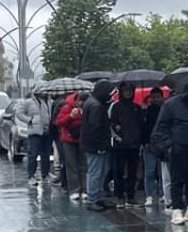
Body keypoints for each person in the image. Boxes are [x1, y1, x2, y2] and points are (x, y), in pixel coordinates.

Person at [151, 79, 188, 225]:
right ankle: (177, 209)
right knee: (177, 179)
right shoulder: (170, 105)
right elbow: (161, 127)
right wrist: (169, 145)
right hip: (179, 148)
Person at [80, 80, 115, 211]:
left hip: (94, 145)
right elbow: (96, 127)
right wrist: (101, 146)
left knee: (100, 171)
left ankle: (97, 197)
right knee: (96, 172)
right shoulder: (96, 106)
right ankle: (93, 199)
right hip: (95, 146)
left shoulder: (93, 103)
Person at [109, 83, 144, 206]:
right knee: (118, 170)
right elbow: (113, 123)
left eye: (130, 90)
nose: (128, 93)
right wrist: (118, 132)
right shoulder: (116, 107)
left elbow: (141, 125)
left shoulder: (137, 108)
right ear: (122, 92)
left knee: (132, 171)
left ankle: (131, 195)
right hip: (120, 144)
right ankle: (119, 196)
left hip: (134, 144)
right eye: (126, 90)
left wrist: (139, 141)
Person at [16, 90, 55, 188]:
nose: (44, 93)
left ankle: (45, 175)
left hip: (47, 131)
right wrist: (30, 120)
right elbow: (19, 114)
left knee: (46, 154)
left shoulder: (50, 102)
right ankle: (31, 176)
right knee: (32, 154)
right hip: (35, 132)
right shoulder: (29, 102)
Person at [55, 91, 88, 199]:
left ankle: (84, 189)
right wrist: (71, 116)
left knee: (82, 165)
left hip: (81, 139)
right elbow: (59, 122)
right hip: (69, 140)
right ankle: (74, 189)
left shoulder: (86, 108)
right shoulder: (67, 107)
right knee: (71, 165)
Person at [140, 87, 166, 207]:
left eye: (158, 97)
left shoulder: (165, 110)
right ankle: (149, 195)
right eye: (153, 97)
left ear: (162, 97)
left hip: (162, 145)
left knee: (162, 173)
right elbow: (142, 126)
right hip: (148, 144)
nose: (155, 100)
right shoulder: (145, 110)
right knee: (149, 172)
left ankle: (162, 194)